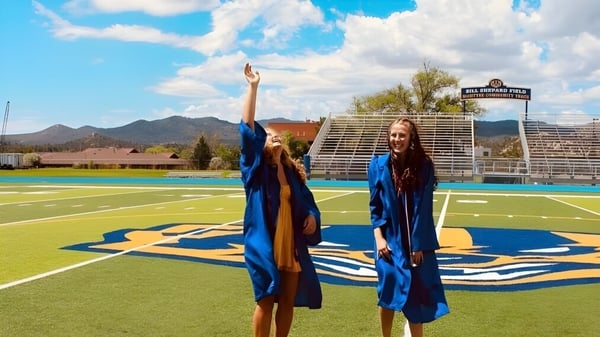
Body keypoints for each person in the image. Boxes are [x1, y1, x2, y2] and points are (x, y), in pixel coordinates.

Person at [239, 63, 323, 337]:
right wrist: (253, 87)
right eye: (269, 135)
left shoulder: (292, 174)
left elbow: (308, 203)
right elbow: (248, 129)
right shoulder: (255, 172)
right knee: (265, 299)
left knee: (287, 302)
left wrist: (311, 216)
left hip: (291, 245)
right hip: (264, 244)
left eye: (277, 134)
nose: (273, 136)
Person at [367, 117, 449, 337]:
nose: (397, 139)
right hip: (388, 239)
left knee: (417, 292)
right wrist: (379, 239)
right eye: (393, 135)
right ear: (388, 137)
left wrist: (418, 244)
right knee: (388, 286)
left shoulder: (423, 165)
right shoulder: (377, 165)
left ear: (411, 137)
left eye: (402, 135)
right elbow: (375, 207)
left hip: (415, 240)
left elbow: (423, 209)